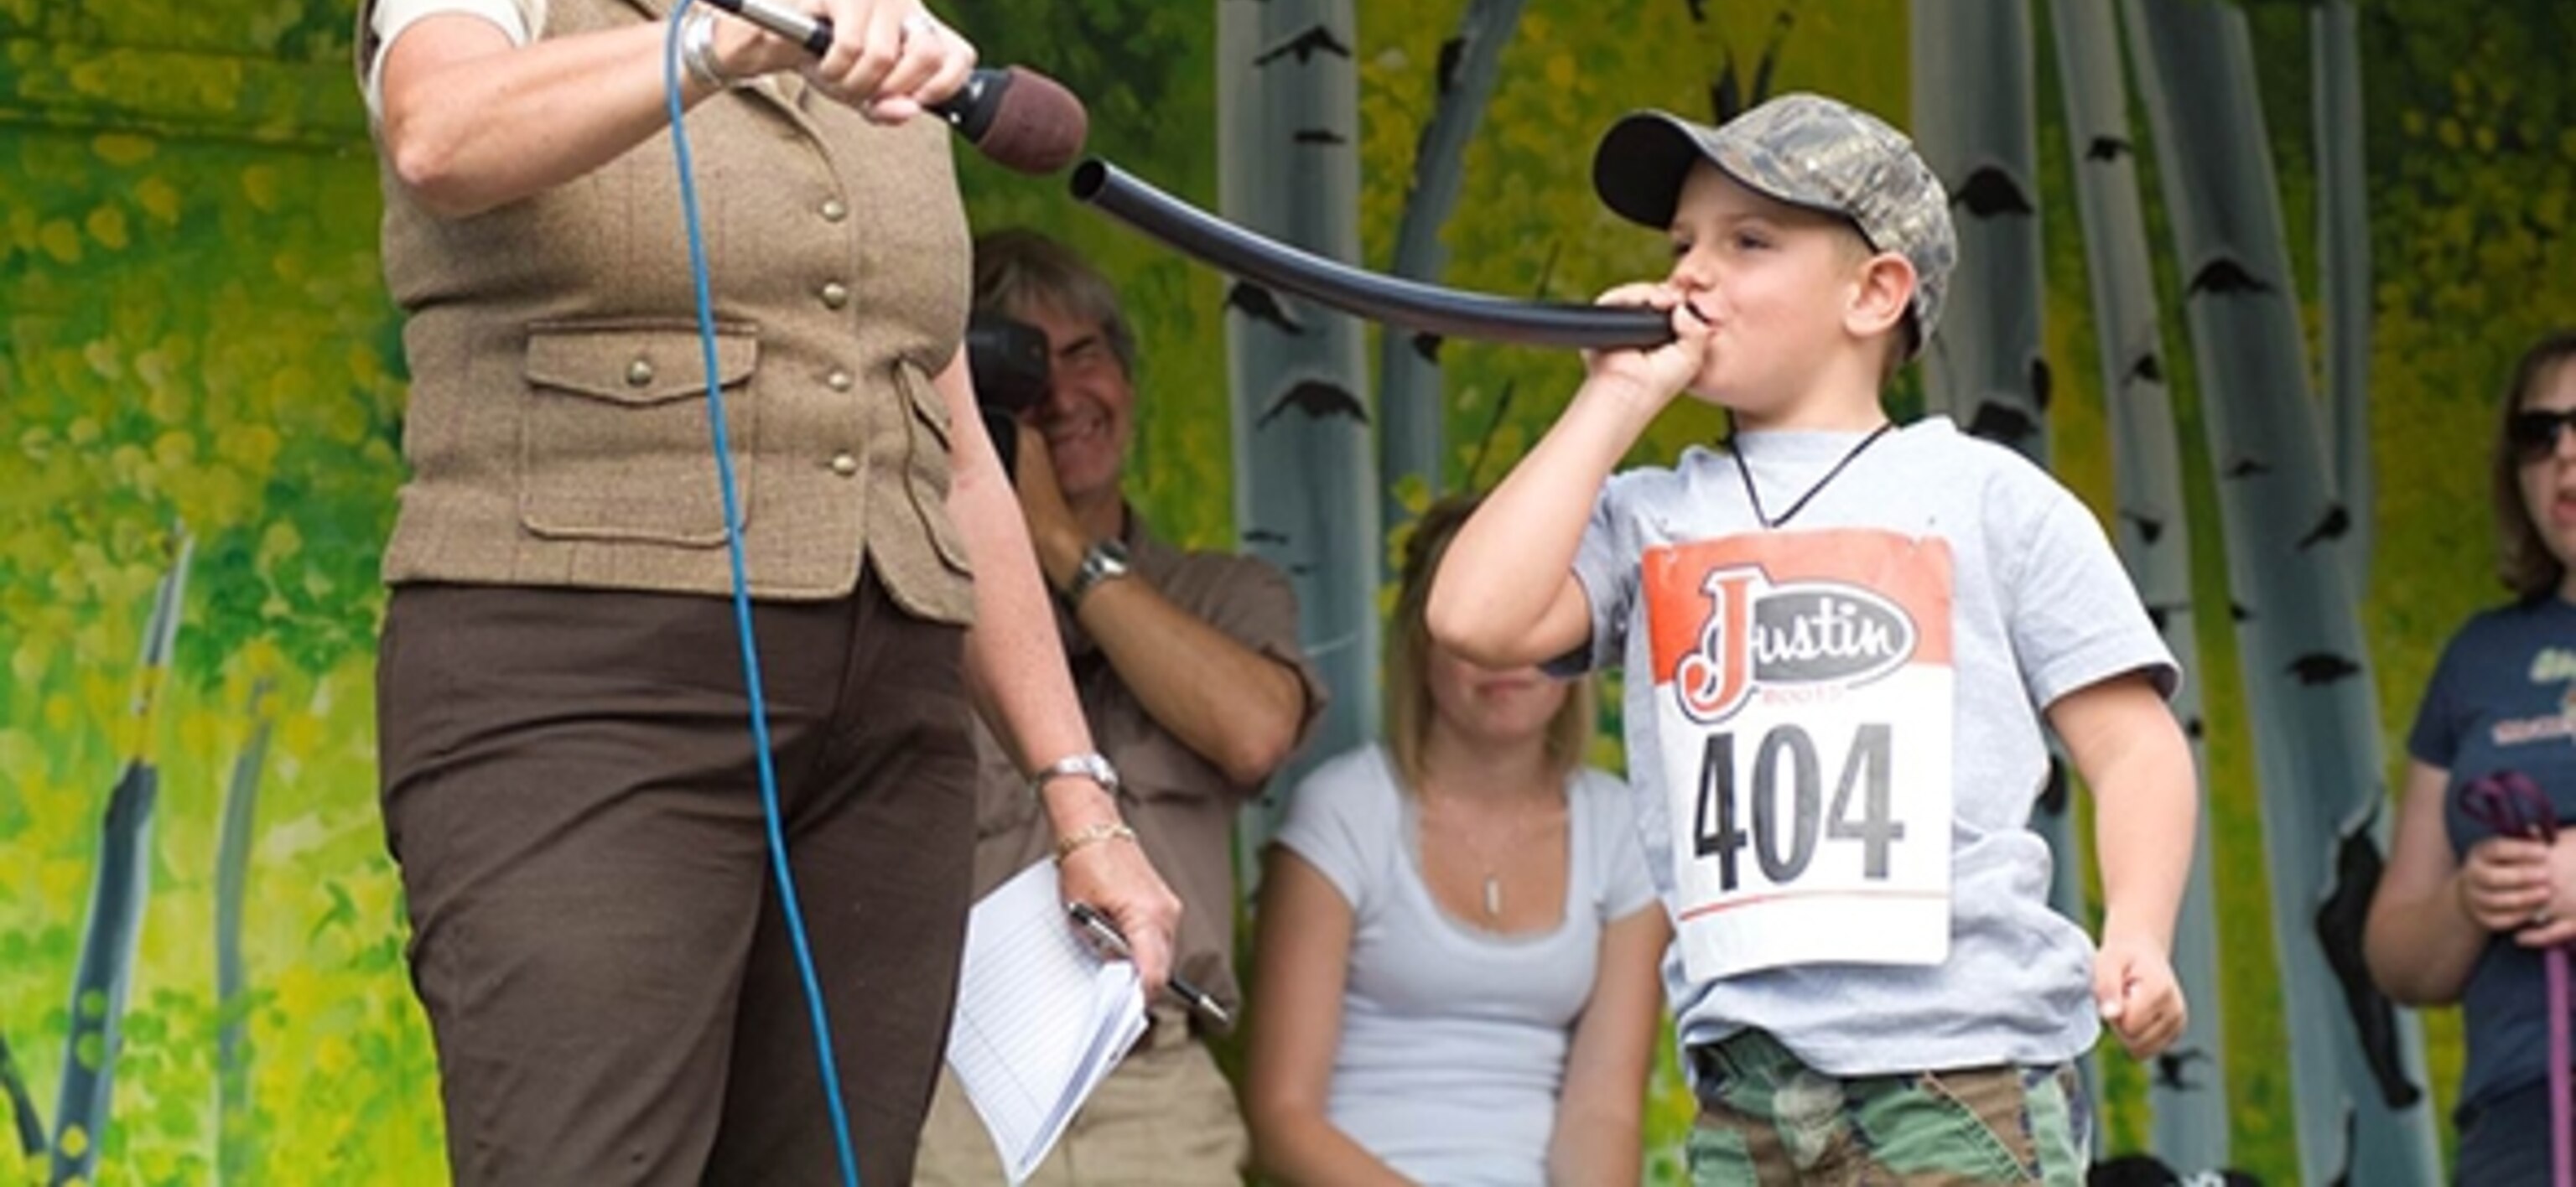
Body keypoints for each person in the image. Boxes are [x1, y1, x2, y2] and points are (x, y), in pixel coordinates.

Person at [356, 0, 1176, 1187]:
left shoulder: (865, 40)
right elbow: (441, 132)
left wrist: (1078, 794)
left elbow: (949, 440)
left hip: (880, 726)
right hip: (576, 684)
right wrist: (720, 41)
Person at [1425, 92, 2196, 1184]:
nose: (1695, 272)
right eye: (1683, 243)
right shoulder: (1651, 511)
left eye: (1749, 241)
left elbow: (2134, 744)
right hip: (1749, 1084)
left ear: (1875, 292)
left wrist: (2141, 930)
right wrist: (1612, 400)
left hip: (1962, 1063)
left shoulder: (1987, 496)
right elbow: (1473, 618)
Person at [913, 228, 1322, 1185]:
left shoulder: (1225, 591)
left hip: (1154, 1079)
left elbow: (1255, 730)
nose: (1058, 394)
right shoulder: (922, 595)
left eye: (1084, 354)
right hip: (955, 1078)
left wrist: (1056, 540)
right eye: (1017, 364)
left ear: (1129, 383)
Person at [1244, 494, 1670, 1186]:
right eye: (1477, 626)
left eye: (1534, 621)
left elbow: (1604, 1113)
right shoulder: (1344, 810)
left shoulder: (1621, 828)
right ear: (1421, 642)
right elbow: (1283, 1117)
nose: (1507, 654)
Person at [2365, 327, 2576, 1184]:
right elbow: (2396, 955)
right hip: (2520, 1110)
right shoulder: (2478, 659)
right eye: (2541, 432)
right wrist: (2469, 896)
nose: (2565, 454)